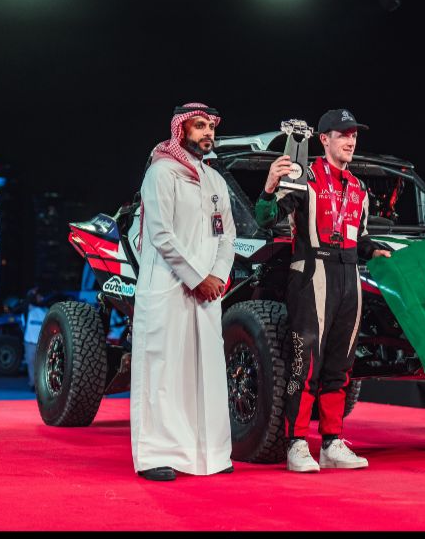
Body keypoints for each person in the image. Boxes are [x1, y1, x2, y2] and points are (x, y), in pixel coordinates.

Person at [256, 109, 392, 473]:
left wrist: (373, 251)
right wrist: (269, 186)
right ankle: (297, 443)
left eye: (354, 135)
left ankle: (332, 443)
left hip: (350, 276)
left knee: (341, 366)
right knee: (306, 364)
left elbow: (361, 238)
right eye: (343, 134)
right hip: (312, 272)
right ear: (324, 139)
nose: (350, 141)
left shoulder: (359, 188)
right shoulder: (304, 175)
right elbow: (265, 218)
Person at [130, 103, 236, 481]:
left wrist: (217, 276)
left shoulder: (215, 180)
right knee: (163, 371)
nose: (208, 132)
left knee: (206, 373)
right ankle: (155, 455)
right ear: (180, 130)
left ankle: (210, 455)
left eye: (211, 126)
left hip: (207, 293)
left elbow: (228, 236)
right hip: (167, 288)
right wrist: (198, 279)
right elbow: (161, 235)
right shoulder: (161, 173)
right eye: (199, 125)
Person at [23, 288, 48, 391]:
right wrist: (31, 293)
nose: (40, 298)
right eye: (38, 296)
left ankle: (42, 385)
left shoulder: (46, 310)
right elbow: (26, 302)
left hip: (42, 342)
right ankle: (33, 384)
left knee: (42, 364)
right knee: (31, 363)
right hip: (30, 342)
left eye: (41, 297)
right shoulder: (29, 309)